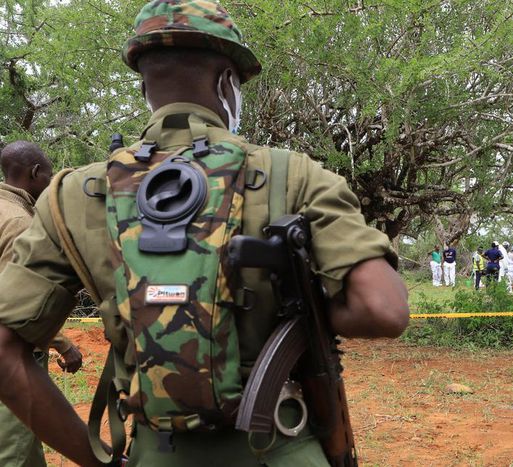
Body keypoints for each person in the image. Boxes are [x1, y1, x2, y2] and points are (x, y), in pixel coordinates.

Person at [0, 3, 410, 466]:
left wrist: (98, 460)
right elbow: (384, 309)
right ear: (226, 84)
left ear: (144, 85)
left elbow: (5, 354)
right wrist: (300, 317)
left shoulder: (72, 195)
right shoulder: (294, 176)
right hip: (279, 448)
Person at [0, 141, 83, 467]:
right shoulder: (21, 224)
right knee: (16, 446)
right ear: (35, 174)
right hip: (12, 355)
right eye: (49, 175)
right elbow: (12, 307)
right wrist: (63, 343)